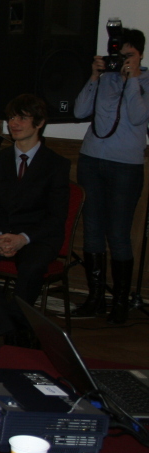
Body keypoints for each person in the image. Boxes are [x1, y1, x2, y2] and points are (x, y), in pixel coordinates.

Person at [0, 94, 70, 346]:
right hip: (1, 232)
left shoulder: (56, 164)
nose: (14, 123)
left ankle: (11, 324)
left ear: (39, 123)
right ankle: (13, 326)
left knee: (32, 267)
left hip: (37, 237)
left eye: (22, 118)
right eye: (11, 118)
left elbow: (56, 216)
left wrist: (23, 239)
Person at [73, 28, 149, 324]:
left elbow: (138, 116)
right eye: (120, 55)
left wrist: (132, 79)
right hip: (91, 160)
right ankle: (95, 299)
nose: (123, 60)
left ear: (140, 55)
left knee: (118, 234)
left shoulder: (146, 81)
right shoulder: (106, 78)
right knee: (92, 230)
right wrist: (94, 76)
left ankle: (119, 301)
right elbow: (80, 111)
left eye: (130, 55)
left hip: (125, 166)